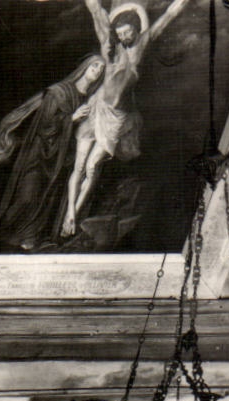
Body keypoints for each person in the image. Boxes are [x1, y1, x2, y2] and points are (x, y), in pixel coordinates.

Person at [62, 0, 190, 238]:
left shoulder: (143, 44)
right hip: (96, 108)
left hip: (118, 118)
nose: (124, 38)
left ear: (136, 29)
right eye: (120, 34)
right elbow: (96, 11)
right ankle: (70, 213)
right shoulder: (109, 47)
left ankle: (75, 212)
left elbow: (169, 15)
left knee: (92, 166)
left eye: (128, 33)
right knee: (79, 166)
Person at [0, 54, 107, 251]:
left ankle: (29, 238)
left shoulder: (90, 99)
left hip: (61, 158)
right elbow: (45, 125)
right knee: (28, 196)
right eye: (94, 66)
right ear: (84, 67)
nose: (97, 71)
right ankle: (7, 234)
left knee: (47, 199)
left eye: (101, 69)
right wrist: (71, 119)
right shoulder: (59, 92)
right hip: (40, 154)